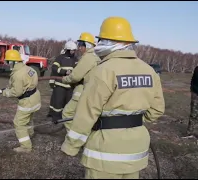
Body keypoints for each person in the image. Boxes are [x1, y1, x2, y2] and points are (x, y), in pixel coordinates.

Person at [61, 16, 165, 179]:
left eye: (101, 40)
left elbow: (86, 114)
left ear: (109, 42)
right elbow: (157, 110)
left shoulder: (103, 71)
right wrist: (131, 122)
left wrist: (71, 146)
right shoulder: (149, 71)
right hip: (136, 149)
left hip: (105, 151)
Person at [0, 50, 41, 153]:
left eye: (8, 62)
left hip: (27, 101)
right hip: (35, 98)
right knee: (28, 119)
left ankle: (26, 147)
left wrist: (4, 93)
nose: (7, 64)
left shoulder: (18, 75)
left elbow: (17, 92)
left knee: (19, 123)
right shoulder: (29, 68)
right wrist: (7, 88)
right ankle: (29, 133)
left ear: (13, 62)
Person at [61, 32, 100, 132]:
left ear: (86, 45)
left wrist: (65, 79)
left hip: (82, 91)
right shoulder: (95, 57)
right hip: (91, 92)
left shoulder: (88, 57)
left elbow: (76, 77)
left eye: (80, 45)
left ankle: (74, 138)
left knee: (67, 113)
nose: (78, 48)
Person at [48, 41, 78, 122]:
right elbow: (54, 68)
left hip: (70, 86)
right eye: (72, 50)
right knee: (58, 103)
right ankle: (56, 118)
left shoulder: (75, 59)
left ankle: (65, 118)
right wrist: (64, 72)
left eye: (74, 50)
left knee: (68, 104)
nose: (74, 52)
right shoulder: (60, 58)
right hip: (60, 85)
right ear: (67, 50)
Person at [187, 66, 198, 138]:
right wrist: (192, 89)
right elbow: (193, 80)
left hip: (194, 92)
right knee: (193, 114)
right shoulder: (197, 68)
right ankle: (189, 132)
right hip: (195, 94)